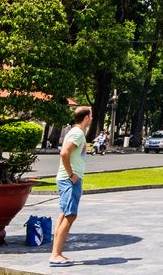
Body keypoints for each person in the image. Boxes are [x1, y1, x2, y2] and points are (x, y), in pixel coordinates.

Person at [49, 106, 92, 267]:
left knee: (64, 214)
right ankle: (55, 255)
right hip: (69, 180)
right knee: (70, 215)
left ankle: (57, 253)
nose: (92, 119)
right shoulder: (77, 133)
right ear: (86, 117)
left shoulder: (76, 132)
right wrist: (71, 174)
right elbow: (64, 153)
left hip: (69, 179)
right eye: (91, 116)